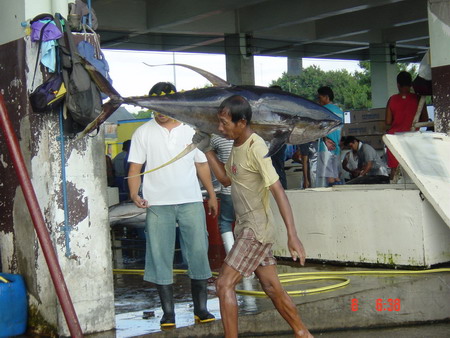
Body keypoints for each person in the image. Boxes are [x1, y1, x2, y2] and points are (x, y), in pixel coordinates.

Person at [193, 95, 312, 338]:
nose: (220, 127)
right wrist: (207, 150)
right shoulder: (237, 145)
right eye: (219, 122)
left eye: (225, 123)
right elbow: (227, 179)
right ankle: (302, 333)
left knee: (224, 284)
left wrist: (293, 236)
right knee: (271, 286)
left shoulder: (257, 147)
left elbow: (278, 190)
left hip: (255, 230)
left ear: (242, 121)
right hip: (248, 227)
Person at [127, 82, 218, 328]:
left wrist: (211, 194)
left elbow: (201, 164)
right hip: (158, 205)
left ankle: (201, 309)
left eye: (165, 104)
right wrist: (135, 194)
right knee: (159, 256)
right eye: (156, 105)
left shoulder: (192, 129)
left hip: (190, 201)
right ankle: (168, 313)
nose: (160, 110)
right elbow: (135, 167)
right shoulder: (142, 133)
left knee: (199, 252)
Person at [385, 71, 428, 180]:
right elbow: (425, 119)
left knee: (394, 170)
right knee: (415, 169)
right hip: (413, 139)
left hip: (395, 139)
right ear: (411, 84)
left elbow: (388, 121)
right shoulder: (418, 99)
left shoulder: (392, 99)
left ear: (398, 85)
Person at [210, 135, 236, 253]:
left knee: (225, 222)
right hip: (251, 191)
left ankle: (231, 256)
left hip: (228, 191)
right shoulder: (254, 136)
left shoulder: (218, 137)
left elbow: (206, 147)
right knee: (248, 224)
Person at [316, 86, 344, 187]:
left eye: (320, 97)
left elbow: (319, 129)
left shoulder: (322, 110)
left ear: (326, 97)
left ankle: (333, 199)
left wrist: (325, 139)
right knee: (336, 174)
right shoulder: (340, 111)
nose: (318, 100)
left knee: (329, 177)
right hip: (337, 146)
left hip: (325, 146)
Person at [269, 85, 288, 189]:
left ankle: (282, 190)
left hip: (278, 141)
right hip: (275, 141)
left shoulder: (280, 110)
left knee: (276, 168)